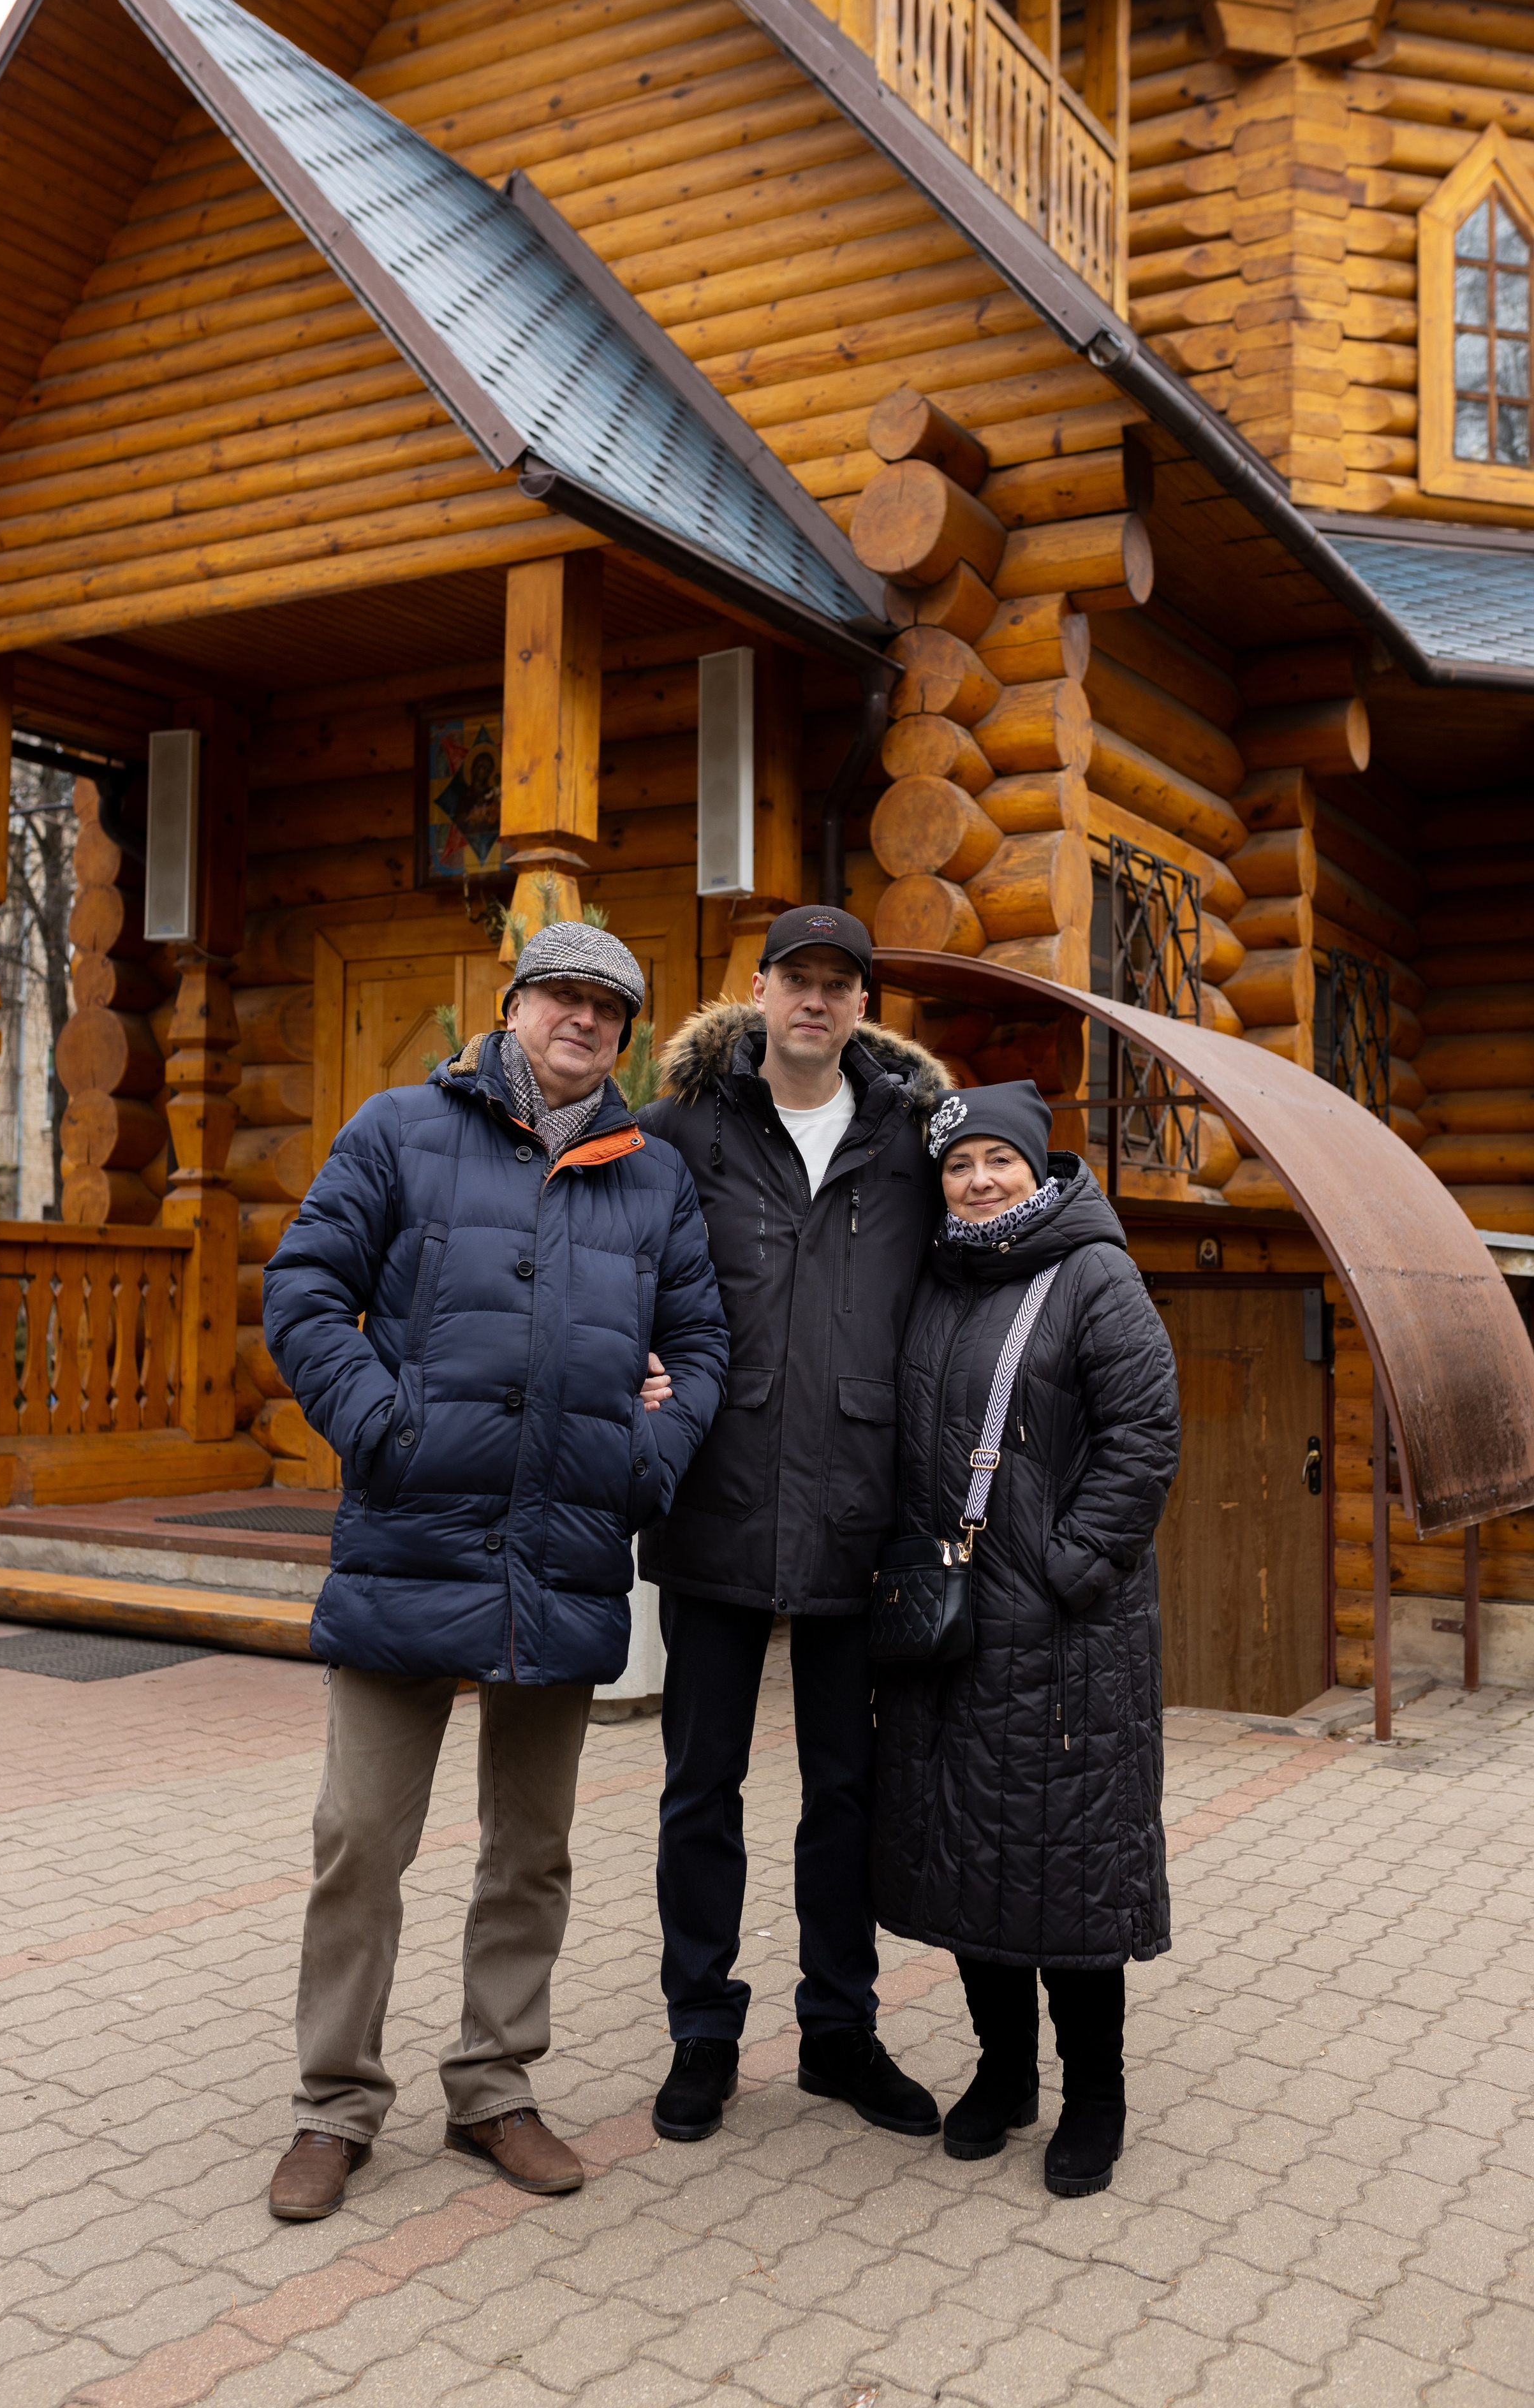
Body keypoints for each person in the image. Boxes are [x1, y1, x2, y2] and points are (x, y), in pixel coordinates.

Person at [261, 922, 727, 2219]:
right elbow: (304, 1290)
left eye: (609, 1009)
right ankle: (332, 2105)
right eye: (562, 997)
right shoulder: (399, 1128)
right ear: (511, 1005)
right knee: (360, 1835)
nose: (583, 1021)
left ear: (625, 1037)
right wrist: (380, 1423)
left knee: (530, 1847)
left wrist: (650, 1448)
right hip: (411, 1533)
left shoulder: (651, 1176)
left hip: (566, 1543)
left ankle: (495, 2089)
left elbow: (697, 1337)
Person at [635, 906, 950, 2143]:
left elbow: (974, 1272)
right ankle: (699, 2035)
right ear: (756, 991)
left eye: (838, 984)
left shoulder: (914, 1146)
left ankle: (839, 2031)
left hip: (858, 1509)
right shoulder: (680, 1133)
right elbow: (612, 1269)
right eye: (794, 980)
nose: (814, 1002)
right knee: (698, 1787)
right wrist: (628, 1375)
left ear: (862, 1005)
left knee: (847, 1789)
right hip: (714, 1495)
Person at [871, 1080, 1181, 2198]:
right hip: (951, 1631)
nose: (979, 1180)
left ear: (1039, 1166)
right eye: (958, 1165)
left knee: (1072, 1867)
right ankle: (1005, 2076)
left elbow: (1145, 1429)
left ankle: (1095, 2094)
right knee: (968, 1854)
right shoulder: (940, 1278)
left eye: (999, 1159)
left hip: (1063, 1635)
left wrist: (1075, 1565)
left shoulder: (1092, 1273)